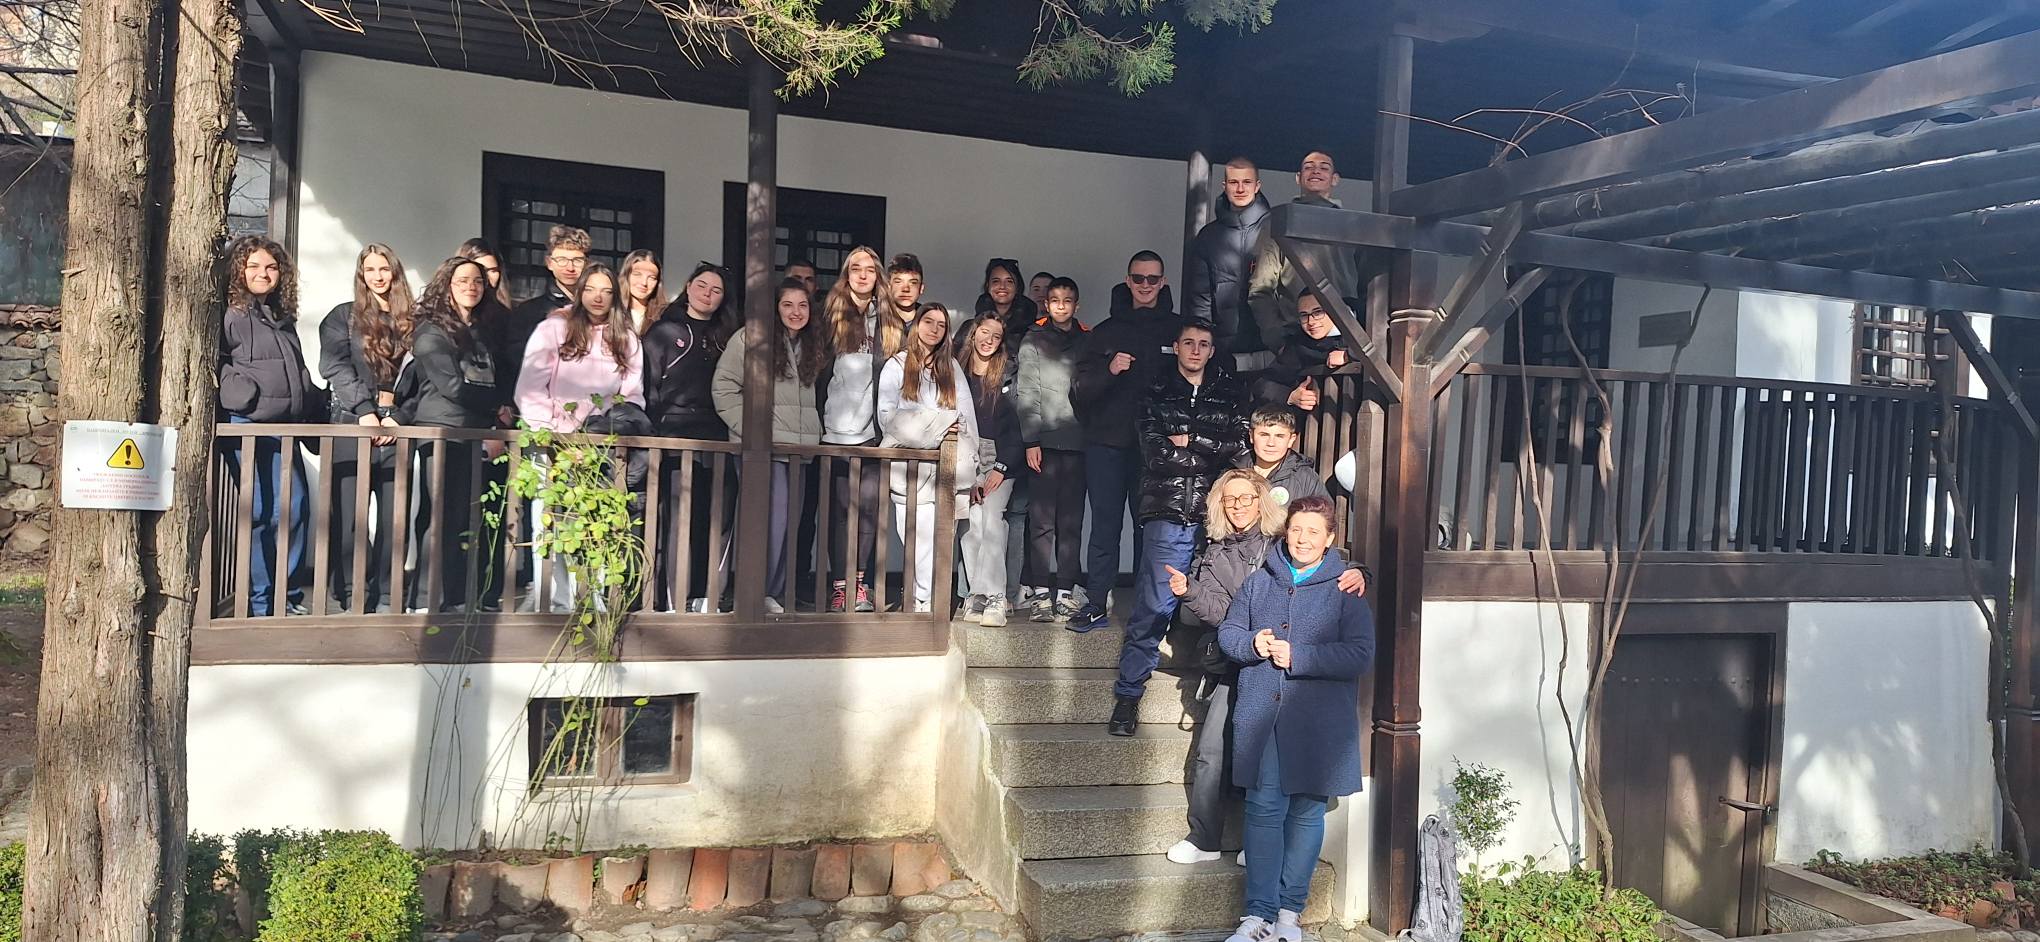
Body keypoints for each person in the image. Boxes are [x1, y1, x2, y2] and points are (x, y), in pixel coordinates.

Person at [1163, 472, 1364, 865]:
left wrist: (1360, 571)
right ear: (1219, 505)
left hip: (1282, 668)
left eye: (1246, 498)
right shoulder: (1214, 554)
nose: (1238, 506)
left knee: (1274, 756)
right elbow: (1223, 616)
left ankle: (1258, 843)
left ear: (1262, 502)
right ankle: (1205, 837)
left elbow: (1323, 560)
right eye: (1230, 500)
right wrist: (1191, 593)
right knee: (1212, 751)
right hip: (1237, 659)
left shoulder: (1282, 541)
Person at [1217, 495, 1373, 942]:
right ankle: (1257, 916)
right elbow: (1229, 632)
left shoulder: (1345, 588)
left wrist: (1301, 656)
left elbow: (1360, 654)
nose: (1303, 539)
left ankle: (1289, 916)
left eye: (1313, 532)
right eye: (1297, 529)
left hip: (1319, 722)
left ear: (1330, 539)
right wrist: (1252, 644)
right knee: (1263, 808)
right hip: (1262, 713)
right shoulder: (1259, 581)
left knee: (1306, 812)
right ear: (1286, 532)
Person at [1109, 320, 1248, 737]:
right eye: (1189, 343)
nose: (1196, 350)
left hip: (1216, 517)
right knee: (1153, 606)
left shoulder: (1228, 391)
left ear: (1211, 350)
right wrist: (1209, 451)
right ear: (1177, 347)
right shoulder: (1156, 390)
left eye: (1203, 344)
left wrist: (1193, 441)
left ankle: (1222, 688)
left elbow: (1237, 446)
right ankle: (1128, 695)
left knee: (1224, 600)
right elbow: (1155, 453)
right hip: (1167, 513)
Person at [514, 262, 644, 609]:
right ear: (580, 291)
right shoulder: (553, 329)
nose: (598, 297)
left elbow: (632, 395)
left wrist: (598, 426)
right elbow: (530, 387)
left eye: (606, 291)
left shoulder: (626, 337)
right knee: (549, 516)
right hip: (552, 439)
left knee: (595, 517)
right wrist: (551, 431)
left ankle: (592, 597)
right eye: (591, 289)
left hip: (600, 440)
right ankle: (554, 599)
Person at [1067, 250, 1179, 633]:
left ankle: (1148, 611)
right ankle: (1096, 604)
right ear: (1128, 281)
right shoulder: (1103, 333)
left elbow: (1192, 381)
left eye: (1153, 279)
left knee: (1150, 530)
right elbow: (1079, 392)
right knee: (1104, 528)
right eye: (1139, 278)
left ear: (1163, 282)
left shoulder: (1177, 331)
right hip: (1107, 445)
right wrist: (1110, 370)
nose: (1146, 285)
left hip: (1155, 449)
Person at [712, 278, 827, 614]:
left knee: (789, 524)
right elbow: (724, 388)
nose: (796, 312)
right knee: (769, 521)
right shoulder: (751, 337)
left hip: (799, 449)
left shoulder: (810, 344)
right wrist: (753, 432)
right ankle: (755, 591)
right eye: (787, 304)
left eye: (802, 305)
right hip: (763, 449)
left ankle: (772, 592)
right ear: (775, 308)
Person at [218, 235, 319, 616]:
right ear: (238, 269)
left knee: (295, 508)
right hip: (246, 425)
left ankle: (286, 597)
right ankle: (261, 603)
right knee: (261, 513)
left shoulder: (280, 317)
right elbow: (216, 361)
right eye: (254, 266)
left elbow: (295, 369)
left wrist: (309, 397)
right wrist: (243, 393)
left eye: (272, 267)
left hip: (285, 427)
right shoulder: (228, 313)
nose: (264, 273)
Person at [397, 256, 502, 611]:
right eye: (462, 281)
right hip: (440, 431)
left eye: (477, 281)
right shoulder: (431, 331)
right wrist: (495, 406)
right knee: (438, 516)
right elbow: (452, 386)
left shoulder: (481, 330)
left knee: (462, 517)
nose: (471, 287)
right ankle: (425, 598)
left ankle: (454, 596)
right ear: (446, 286)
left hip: (471, 431)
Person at [318, 243, 413, 614]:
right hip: (351, 423)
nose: (378, 276)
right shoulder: (342, 317)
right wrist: (364, 411)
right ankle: (351, 593)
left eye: (384, 268)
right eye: (370, 269)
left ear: (395, 272)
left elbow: (421, 376)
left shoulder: (413, 320)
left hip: (396, 427)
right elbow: (334, 366)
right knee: (349, 516)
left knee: (394, 517)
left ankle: (388, 594)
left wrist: (398, 415)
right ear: (361, 274)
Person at [643, 262, 736, 612]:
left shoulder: (728, 336)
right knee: (680, 520)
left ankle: (708, 595)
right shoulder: (665, 331)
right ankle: (674, 598)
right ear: (688, 286)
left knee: (717, 518)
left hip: (719, 437)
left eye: (716, 290)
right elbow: (648, 387)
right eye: (702, 286)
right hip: (675, 437)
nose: (707, 294)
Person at [878, 303, 979, 613]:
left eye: (941, 324)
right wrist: (940, 423)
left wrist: (975, 467)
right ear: (916, 325)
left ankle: (933, 602)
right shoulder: (896, 365)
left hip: (948, 467)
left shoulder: (952, 368)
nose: (934, 329)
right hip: (908, 468)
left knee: (942, 537)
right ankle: (920, 599)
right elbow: (888, 418)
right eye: (928, 321)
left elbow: (966, 419)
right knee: (914, 537)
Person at [1014, 276, 1089, 623]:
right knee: (1042, 522)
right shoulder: (1033, 339)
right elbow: (1027, 391)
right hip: (1043, 443)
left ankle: (1066, 591)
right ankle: (1041, 593)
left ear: (1076, 304)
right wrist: (1031, 440)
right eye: (1055, 300)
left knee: (1071, 522)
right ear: (1046, 304)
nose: (1061, 306)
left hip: (1078, 443)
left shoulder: (1087, 340)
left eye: (1067, 300)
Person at [819, 246, 887, 612]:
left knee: (868, 514)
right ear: (846, 275)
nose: (863, 275)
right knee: (841, 514)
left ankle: (859, 586)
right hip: (836, 434)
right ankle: (840, 587)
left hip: (873, 435)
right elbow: (817, 375)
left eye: (870, 270)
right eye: (855, 268)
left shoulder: (887, 320)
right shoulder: (830, 315)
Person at [1248, 152, 1365, 351]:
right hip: (1297, 336)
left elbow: (1366, 285)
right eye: (1309, 167)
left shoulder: (1353, 225)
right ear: (1298, 177)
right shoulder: (1279, 221)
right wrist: (1275, 335)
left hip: (1345, 337)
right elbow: (1261, 288)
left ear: (1335, 179)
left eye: (1324, 167)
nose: (1316, 171)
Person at [958, 314, 1021, 627]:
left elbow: (1018, 424)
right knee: (972, 525)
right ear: (973, 333)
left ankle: (995, 596)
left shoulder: (1007, 372)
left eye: (996, 336)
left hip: (999, 454)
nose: (989, 340)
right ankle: (977, 594)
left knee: (993, 518)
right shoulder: (956, 370)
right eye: (985, 332)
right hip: (965, 452)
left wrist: (1001, 466)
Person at [1188, 157, 1274, 364]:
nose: (1240, 189)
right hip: (1224, 350)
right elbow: (1201, 300)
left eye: (1247, 182)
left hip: (1272, 348)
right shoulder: (1208, 236)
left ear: (1257, 186)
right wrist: (1204, 344)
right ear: (1224, 186)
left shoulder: (1275, 228)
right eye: (1234, 182)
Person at [503, 225, 591, 404]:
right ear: (549, 262)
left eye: (577, 260)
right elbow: (517, 359)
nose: (570, 267)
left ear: (587, 263)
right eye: (562, 260)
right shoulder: (528, 311)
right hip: (543, 400)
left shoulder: (597, 310)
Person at [1253, 291, 1349, 412]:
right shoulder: (1299, 343)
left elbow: (1374, 350)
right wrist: (1290, 396)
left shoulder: (1365, 318)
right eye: (1304, 315)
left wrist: (1350, 355)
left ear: (1334, 308)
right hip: (1323, 417)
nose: (1311, 322)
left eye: (1318, 312)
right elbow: (1263, 385)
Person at [1242, 407, 1328, 511]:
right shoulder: (1234, 472)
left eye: (1279, 436)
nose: (1271, 443)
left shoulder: (1305, 479)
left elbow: (1323, 517)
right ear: (1251, 436)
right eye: (1264, 435)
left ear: (1291, 440)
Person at [973, 258, 1038, 354]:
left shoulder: (1033, 329)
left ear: (1017, 287)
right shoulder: (973, 326)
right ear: (987, 285)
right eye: (996, 281)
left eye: (1009, 281)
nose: (1002, 287)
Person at [620, 249, 669, 336]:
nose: (644, 283)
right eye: (637, 274)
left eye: (651, 278)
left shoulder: (665, 316)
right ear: (626, 275)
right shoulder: (612, 310)